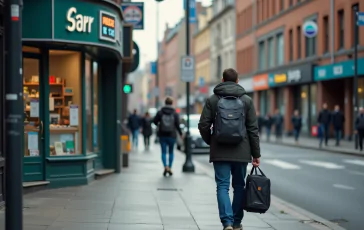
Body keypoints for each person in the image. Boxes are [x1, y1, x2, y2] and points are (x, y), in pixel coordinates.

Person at [198, 68, 260, 230]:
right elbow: (253, 129)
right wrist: (256, 154)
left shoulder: (213, 99)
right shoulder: (247, 100)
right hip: (241, 151)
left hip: (220, 151)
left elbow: (203, 125)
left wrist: (212, 141)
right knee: (239, 186)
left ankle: (227, 222)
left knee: (222, 186)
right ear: (238, 81)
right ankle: (237, 222)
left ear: (222, 80)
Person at [153, 97, 183, 176]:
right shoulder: (175, 113)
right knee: (171, 152)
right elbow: (177, 125)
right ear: (172, 103)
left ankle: (165, 167)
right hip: (172, 135)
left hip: (162, 135)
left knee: (163, 152)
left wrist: (159, 125)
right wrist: (180, 133)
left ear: (165, 103)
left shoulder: (160, 112)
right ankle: (169, 167)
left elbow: (154, 121)